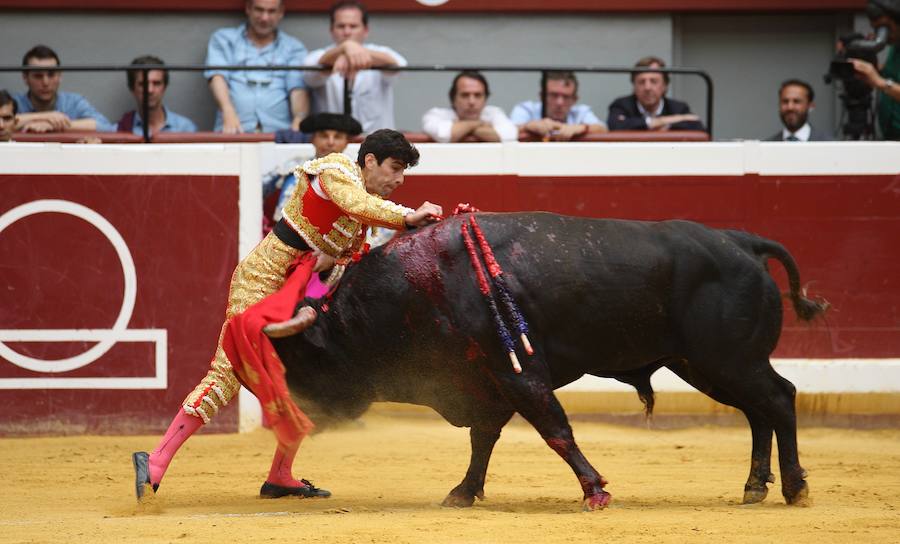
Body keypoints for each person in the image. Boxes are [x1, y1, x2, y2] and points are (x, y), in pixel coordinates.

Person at [132, 129, 442, 501]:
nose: (399, 179)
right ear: (370, 160)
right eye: (395, 168)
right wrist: (409, 216)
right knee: (228, 369)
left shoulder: (364, 222)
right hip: (262, 281)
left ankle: (280, 475)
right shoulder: (336, 170)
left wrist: (331, 263)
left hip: (299, 295)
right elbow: (355, 203)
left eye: (405, 172)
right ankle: (156, 459)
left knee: (305, 380)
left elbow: (342, 262)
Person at [205, 0, 308, 133]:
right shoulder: (224, 39)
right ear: (248, 8)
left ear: (281, 12)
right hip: (232, 131)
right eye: (259, 10)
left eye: (271, 11)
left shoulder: (294, 48)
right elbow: (217, 76)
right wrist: (227, 110)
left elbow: (297, 87)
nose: (264, 18)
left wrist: (299, 119)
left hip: (278, 134)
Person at [304, 1, 406, 133]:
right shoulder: (317, 55)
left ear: (365, 30)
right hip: (333, 143)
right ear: (331, 30)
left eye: (353, 26)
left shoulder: (381, 51)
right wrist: (345, 48)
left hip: (377, 142)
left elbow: (399, 65)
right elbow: (310, 71)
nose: (347, 32)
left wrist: (351, 50)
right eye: (341, 26)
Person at [268, 112, 363, 224]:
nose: (330, 142)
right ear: (312, 139)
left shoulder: (357, 173)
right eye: (324, 136)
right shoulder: (296, 170)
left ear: (346, 142)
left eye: (337, 137)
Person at [13, 45, 114, 133]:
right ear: (25, 78)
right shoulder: (14, 102)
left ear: (60, 76)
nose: (45, 83)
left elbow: (105, 127)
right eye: (38, 76)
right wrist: (47, 116)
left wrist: (54, 126)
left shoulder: (73, 102)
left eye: (51, 75)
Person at [607, 56, 705, 132]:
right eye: (641, 82)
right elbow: (615, 126)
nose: (647, 88)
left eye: (653, 81)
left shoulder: (678, 108)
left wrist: (646, 125)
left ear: (665, 86)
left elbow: (697, 127)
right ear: (634, 86)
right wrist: (661, 121)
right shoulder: (621, 105)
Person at [849, 0, 900, 140]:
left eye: (886, 28)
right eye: (877, 29)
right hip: (891, 137)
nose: (884, 35)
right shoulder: (895, 48)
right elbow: (892, 75)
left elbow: (883, 82)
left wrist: (880, 82)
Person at [422, 71, 518, 143]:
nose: (472, 102)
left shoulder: (494, 112)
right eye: (465, 95)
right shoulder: (435, 114)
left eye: (478, 95)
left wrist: (462, 128)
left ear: (485, 99)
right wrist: (479, 124)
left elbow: (509, 135)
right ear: (453, 98)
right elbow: (445, 136)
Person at [511, 71, 607, 141]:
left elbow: (603, 130)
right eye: (554, 95)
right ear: (541, 96)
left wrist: (580, 128)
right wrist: (528, 126)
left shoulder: (581, 112)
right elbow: (508, 130)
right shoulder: (526, 109)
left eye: (566, 97)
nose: (559, 103)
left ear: (575, 100)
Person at [117, 56, 197, 136]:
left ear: (164, 87)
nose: (150, 90)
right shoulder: (119, 130)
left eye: (156, 83)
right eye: (143, 84)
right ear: (132, 88)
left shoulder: (185, 129)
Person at [765, 79, 833, 141]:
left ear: (810, 106)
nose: (790, 107)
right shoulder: (765, 147)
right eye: (785, 101)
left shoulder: (830, 145)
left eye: (796, 101)